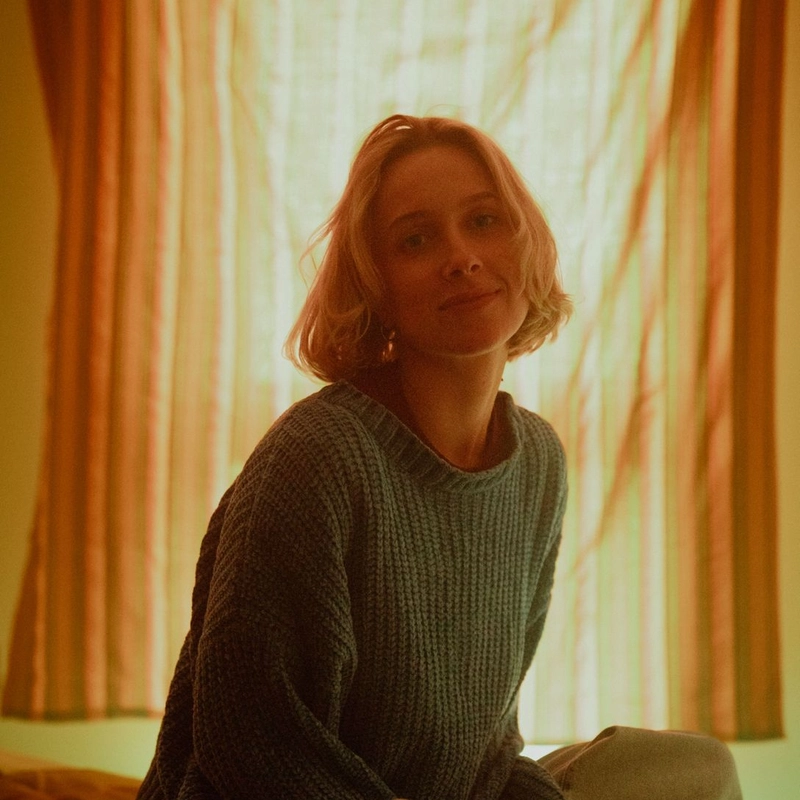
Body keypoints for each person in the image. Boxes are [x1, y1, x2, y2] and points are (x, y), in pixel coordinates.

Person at [137, 115, 742, 800]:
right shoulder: (318, 457)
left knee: (692, 769)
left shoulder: (537, 464)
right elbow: (254, 747)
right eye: (416, 239)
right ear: (377, 285)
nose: (461, 257)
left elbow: (486, 747)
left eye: (484, 221)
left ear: (526, 241)